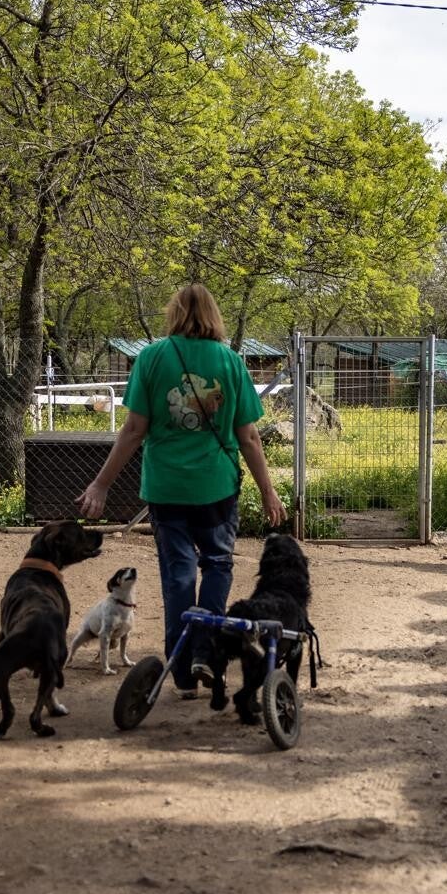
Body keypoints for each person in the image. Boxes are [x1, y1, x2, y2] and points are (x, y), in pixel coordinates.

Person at [77, 285, 287, 696]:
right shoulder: (230, 362)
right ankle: (205, 653)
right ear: (214, 315)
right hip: (216, 487)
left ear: (173, 312)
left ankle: (182, 672)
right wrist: (268, 491)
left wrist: (101, 484)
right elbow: (248, 437)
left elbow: (134, 430)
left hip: (166, 487)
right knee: (218, 565)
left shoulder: (152, 358)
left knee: (178, 574)